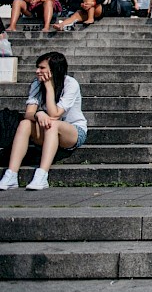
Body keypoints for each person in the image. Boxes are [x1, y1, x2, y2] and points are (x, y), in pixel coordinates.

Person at [0, 52, 87, 191]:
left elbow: (55, 114)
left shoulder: (70, 84)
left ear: (54, 69)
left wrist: (48, 86)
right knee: (25, 124)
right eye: (37, 67)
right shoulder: (36, 84)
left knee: (53, 124)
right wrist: (38, 114)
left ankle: (42, 174)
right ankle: (11, 174)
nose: (37, 71)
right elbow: (29, 113)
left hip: (73, 131)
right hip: (48, 130)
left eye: (42, 68)